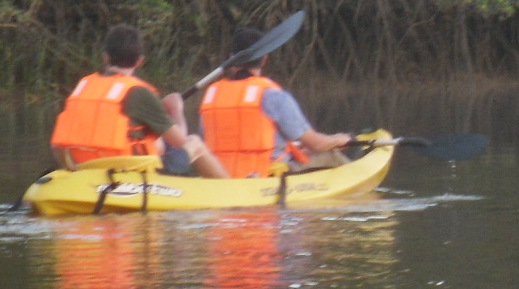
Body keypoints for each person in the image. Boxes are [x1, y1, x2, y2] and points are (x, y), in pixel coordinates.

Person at [49, 24, 226, 177]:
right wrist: (176, 110)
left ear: (106, 57)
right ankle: (231, 189)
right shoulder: (139, 93)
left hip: (86, 168)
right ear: (140, 61)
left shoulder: (83, 86)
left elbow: (58, 144)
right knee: (194, 142)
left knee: (156, 142)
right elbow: (180, 142)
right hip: (127, 172)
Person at [197, 27, 354, 178]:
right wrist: (340, 140)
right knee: (329, 154)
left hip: (219, 175)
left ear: (232, 59)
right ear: (265, 59)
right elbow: (316, 144)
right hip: (266, 175)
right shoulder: (272, 95)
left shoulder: (211, 96)